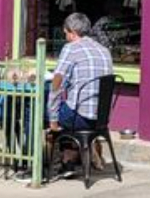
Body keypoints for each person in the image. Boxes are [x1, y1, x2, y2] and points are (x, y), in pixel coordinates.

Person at [48, 12, 113, 168]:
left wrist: (53, 120)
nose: (66, 38)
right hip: (101, 120)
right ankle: (81, 150)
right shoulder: (104, 50)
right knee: (66, 108)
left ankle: (63, 160)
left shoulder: (71, 49)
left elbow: (57, 84)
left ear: (72, 32)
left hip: (79, 117)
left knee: (44, 111)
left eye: (66, 33)